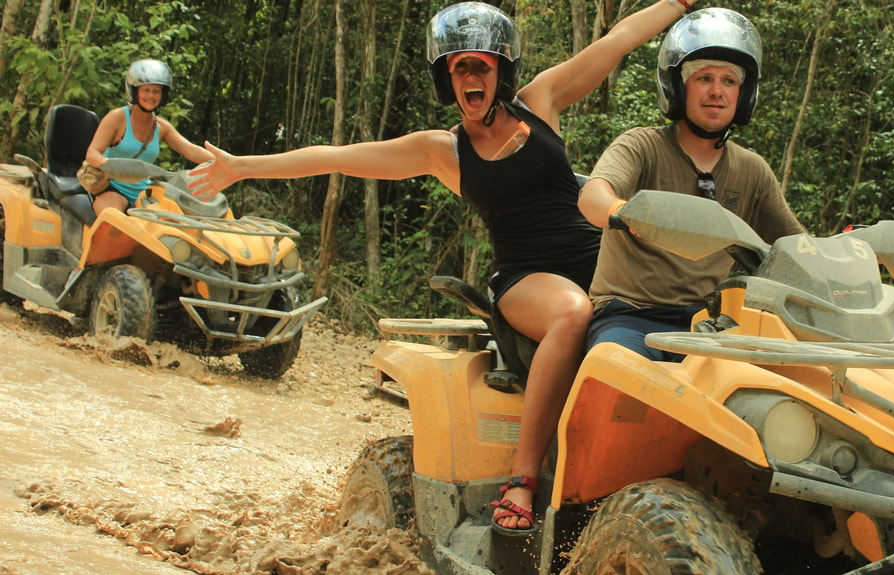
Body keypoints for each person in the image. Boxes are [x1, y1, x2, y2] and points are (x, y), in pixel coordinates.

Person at [187, 0, 702, 535]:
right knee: (572, 314)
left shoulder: (541, 101)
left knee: (692, 312)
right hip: (528, 278)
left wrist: (677, 4)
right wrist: (242, 167)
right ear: (446, 78)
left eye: (482, 64)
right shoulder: (442, 151)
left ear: (502, 70)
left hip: (601, 263)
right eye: (460, 66)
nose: (472, 75)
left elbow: (616, 40)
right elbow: (334, 156)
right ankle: (522, 479)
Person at [578, 7, 806, 361]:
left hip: (711, 324)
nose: (717, 91)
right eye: (704, 78)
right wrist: (624, 212)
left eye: (729, 81)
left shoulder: (751, 170)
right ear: (677, 86)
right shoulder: (641, 146)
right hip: (630, 317)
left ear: (743, 94)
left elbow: (795, 248)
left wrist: (852, 259)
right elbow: (593, 197)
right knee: (615, 374)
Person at [85, 59, 214, 213]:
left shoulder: (161, 126)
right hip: (112, 188)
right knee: (113, 220)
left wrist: (226, 162)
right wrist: (109, 164)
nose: (151, 96)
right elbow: (92, 153)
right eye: (145, 90)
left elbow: (191, 150)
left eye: (156, 91)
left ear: (163, 94)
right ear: (134, 91)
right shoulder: (117, 118)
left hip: (145, 193)